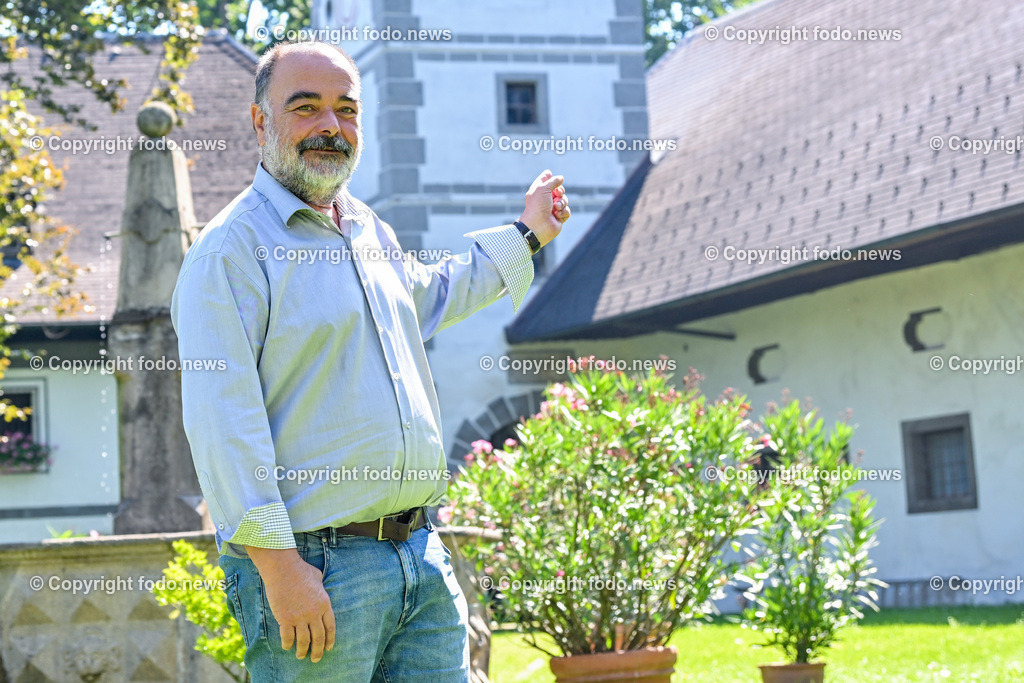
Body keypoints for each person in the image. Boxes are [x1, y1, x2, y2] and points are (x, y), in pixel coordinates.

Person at [170, 40, 570, 682]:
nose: (330, 125)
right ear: (259, 121)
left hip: (419, 554)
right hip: (315, 568)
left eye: (345, 109)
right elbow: (224, 427)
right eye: (306, 107)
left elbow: (435, 295)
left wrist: (528, 235)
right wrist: (280, 570)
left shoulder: (367, 230)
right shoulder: (230, 254)